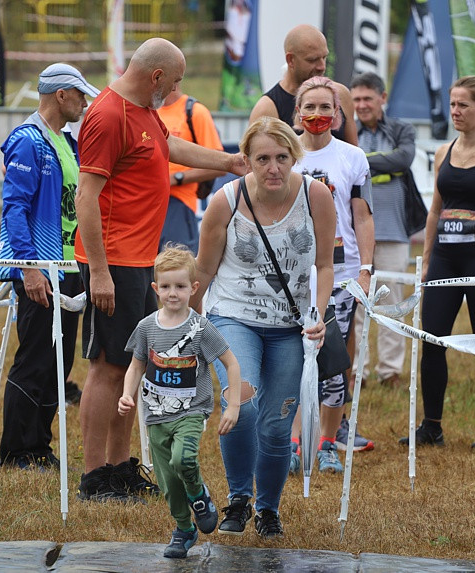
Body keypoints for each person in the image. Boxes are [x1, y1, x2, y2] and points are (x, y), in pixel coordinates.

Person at [74, 38, 246, 502]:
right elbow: (86, 197)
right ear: (156, 76)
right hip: (115, 262)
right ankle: (94, 476)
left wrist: (229, 162)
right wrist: (100, 272)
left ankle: (119, 467)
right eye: (174, 81)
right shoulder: (110, 115)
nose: (175, 90)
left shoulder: (144, 112)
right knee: (108, 368)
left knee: (132, 364)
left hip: (138, 261)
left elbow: (170, 146)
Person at [191, 116, 335, 538]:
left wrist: (318, 313)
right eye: (263, 159)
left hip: (291, 325)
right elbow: (204, 269)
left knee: (276, 424)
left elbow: (325, 265)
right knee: (242, 404)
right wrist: (189, 326)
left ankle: (268, 509)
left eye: (282, 158)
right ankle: (239, 499)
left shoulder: (316, 196)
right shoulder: (226, 201)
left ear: (295, 156)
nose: (273, 168)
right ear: (247, 160)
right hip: (233, 316)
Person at [399, 75, 475, 451]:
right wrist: (426, 260)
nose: (455, 111)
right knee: (432, 338)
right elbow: (435, 212)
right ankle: (431, 426)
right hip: (446, 260)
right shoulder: (443, 152)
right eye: (452, 104)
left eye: (462, 105)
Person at [0, 63, 98, 471]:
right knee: (35, 359)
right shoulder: (27, 140)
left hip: (68, 266)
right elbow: (14, 208)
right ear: (61, 94)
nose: (84, 103)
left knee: (59, 364)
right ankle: (16, 451)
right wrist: (29, 267)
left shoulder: (66, 141)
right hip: (40, 267)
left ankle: (39, 446)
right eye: (80, 95)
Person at [118, 245, 241, 559]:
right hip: (156, 416)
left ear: (194, 288)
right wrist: (127, 394)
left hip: (191, 412)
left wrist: (234, 405)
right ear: (155, 288)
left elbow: (231, 363)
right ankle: (184, 529)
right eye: (166, 286)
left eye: (181, 286)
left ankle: (199, 495)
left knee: (182, 460)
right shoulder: (146, 327)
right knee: (169, 484)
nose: (173, 293)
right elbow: (136, 366)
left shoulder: (200, 329)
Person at [288, 76, 374, 473]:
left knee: (334, 362)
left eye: (326, 107)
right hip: (291, 275)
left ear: (338, 114)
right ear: (297, 112)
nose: (318, 114)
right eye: (310, 107)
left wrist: (366, 270)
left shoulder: (353, 157)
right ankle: (292, 445)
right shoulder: (285, 153)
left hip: (341, 273)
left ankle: (325, 444)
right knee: (290, 361)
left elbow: (362, 217)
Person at [350, 71, 417, 389]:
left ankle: (390, 371)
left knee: (393, 302)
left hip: (394, 230)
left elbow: (403, 159)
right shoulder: (348, 130)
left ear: (383, 98)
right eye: (356, 99)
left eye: (368, 98)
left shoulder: (402, 129)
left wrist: (361, 161)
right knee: (355, 302)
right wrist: (382, 163)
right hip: (354, 233)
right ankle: (355, 371)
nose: (362, 105)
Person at [249, 24, 357, 145]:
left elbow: (354, 153)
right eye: (312, 60)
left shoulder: (341, 94)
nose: (322, 66)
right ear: (290, 60)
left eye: (324, 57)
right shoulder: (267, 109)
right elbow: (256, 155)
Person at [157, 83, 226, 255]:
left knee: (176, 266)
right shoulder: (149, 112)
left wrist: (176, 178)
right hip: (148, 203)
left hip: (178, 203)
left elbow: (220, 165)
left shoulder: (195, 112)